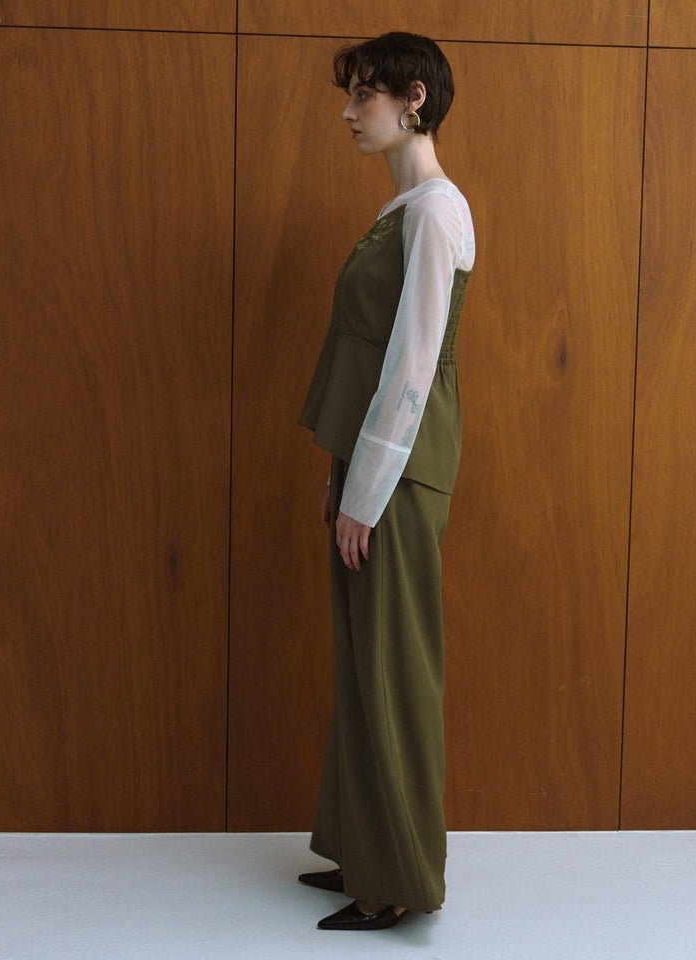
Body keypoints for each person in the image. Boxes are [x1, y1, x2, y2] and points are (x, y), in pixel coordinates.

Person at [297, 31, 475, 932]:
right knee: (363, 658)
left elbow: (412, 364)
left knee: (394, 668)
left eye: (363, 94)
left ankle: (398, 880)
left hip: (399, 474)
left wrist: (363, 494)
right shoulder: (403, 209)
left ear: (413, 99)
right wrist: (346, 479)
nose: (348, 111)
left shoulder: (435, 212)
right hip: (376, 463)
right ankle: (364, 851)